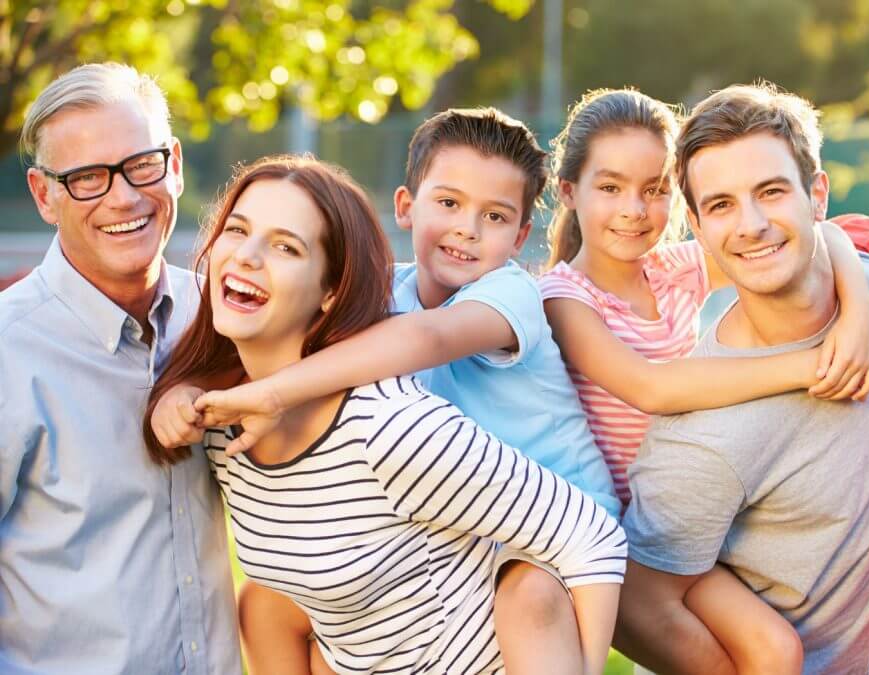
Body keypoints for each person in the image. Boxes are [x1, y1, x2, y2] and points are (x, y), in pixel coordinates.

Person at [152, 108, 620, 674]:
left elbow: (425, 336)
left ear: (521, 236)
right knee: (268, 603)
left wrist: (274, 394)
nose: (467, 228)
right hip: (462, 524)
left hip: (555, 530)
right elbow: (278, 330)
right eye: (448, 203)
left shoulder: (507, 296)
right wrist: (184, 393)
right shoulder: (386, 297)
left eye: (494, 216)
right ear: (406, 206)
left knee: (530, 596)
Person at [538, 87, 869, 673]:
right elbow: (654, 389)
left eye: (653, 191)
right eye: (610, 188)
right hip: (623, 530)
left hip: (698, 524)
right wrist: (812, 365)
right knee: (773, 654)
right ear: (569, 192)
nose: (633, 209)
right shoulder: (564, 298)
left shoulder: (671, 271)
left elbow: (816, 236)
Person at [0, 63, 240, 673]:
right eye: (86, 177)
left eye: (141, 165)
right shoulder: (8, 351)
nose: (124, 196)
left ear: (176, 165)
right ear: (43, 194)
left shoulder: (224, 319)